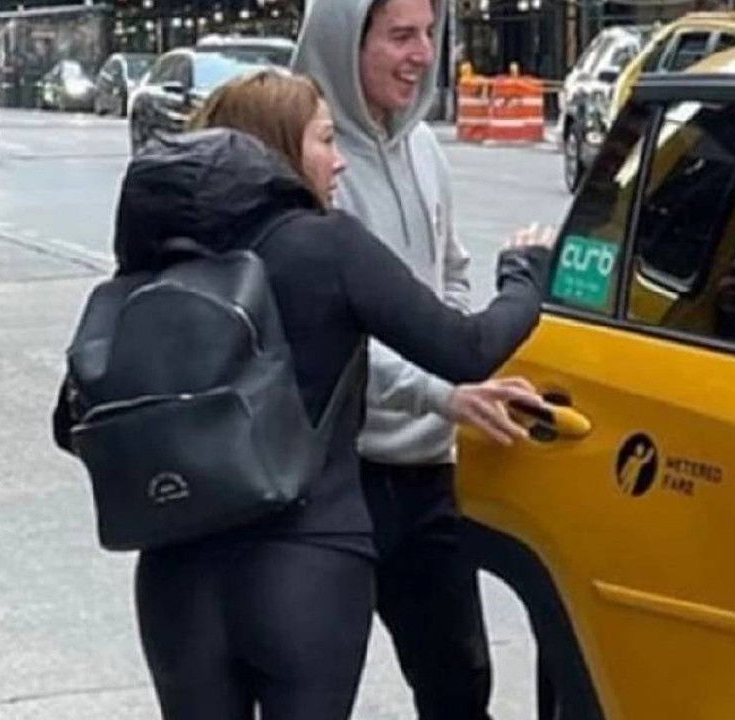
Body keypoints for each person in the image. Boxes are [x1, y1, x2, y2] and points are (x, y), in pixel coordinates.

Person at [52, 69, 552, 720]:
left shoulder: (156, 259)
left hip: (176, 579)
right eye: (325, 139)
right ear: (278, 147)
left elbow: (73, 422)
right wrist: (523, 278)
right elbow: (466, 350)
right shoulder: (325, 244)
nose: (339, 161)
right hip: (308, 563)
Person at [293, 2, 538, 717]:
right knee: (314, 691)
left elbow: (450, 274)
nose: (423, 55)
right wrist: (441, 389)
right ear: (345, 42)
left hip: (430, 471)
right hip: (338, 477)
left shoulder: (425, 147)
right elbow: (323, 330)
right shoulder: (308, 163)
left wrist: (445, 362)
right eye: (401, 36)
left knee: (459, 682)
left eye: (430, 34)